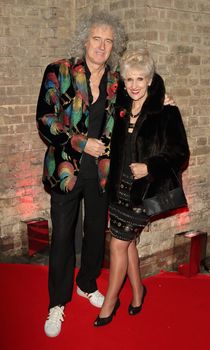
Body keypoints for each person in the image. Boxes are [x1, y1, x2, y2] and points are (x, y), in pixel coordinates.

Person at [36, 11, 127, 337]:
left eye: (108, 41)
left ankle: (86, 284)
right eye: (96, 39)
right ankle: (57, 303)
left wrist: (163, 103)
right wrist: (80, 142)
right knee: (62, 238)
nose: (102, 46)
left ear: (113, 47)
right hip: (66, 170)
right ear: (84, 41)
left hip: (101, 174)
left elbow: (140, 104)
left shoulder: (116, 81)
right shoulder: (58, 71)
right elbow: (45, 119)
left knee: (94, 236)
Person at [94, 49, 190, 327]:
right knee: (127, 244)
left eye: (140, 79)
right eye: (129, 80)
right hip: (119, 187)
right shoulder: (121, 108)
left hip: (143, 190)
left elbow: (180, 153)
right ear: (123, 82)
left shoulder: (166, 110)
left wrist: (150, 166)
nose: (134, 85)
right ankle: (138, 293)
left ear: (150, 79)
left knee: (117, 243)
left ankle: (110, 301)